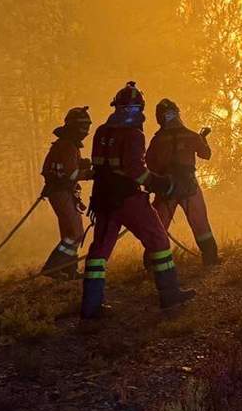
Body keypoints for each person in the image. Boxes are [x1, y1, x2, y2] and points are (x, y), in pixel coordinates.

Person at [80, 82, 196, 319]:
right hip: (129, 200)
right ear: (139, 108)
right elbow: (137, 171)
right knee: (158, 240)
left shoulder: (101, 131)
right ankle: (170, 296)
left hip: (103, 201)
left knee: (98, 252)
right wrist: (163, 184)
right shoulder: (134, 134)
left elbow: (99, 167)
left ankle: (91, 308)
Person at [146, 98, 220, 265]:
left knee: (159, 227)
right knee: (200, 223)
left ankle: (152, 265)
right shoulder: (190, 135)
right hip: (189, 186)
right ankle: (211, 259)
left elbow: (149, 163)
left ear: (160, 118)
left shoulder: (157, 140)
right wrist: (202, 138)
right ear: (177, 114)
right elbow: (206, 154)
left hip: (166, 188)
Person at [38, 106, 93, 277]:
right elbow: (71, 175)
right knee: (75, 233)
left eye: (87, 126)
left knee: (70, 232)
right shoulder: (68, 146)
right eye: (83, 126)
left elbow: (59, 167)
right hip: (62, 193)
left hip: (61, 193)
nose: (86, 130)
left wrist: (81, 163)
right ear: (74, 126)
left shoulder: (65, 144)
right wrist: (90, 173)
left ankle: (69, 269)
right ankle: (52, 267)